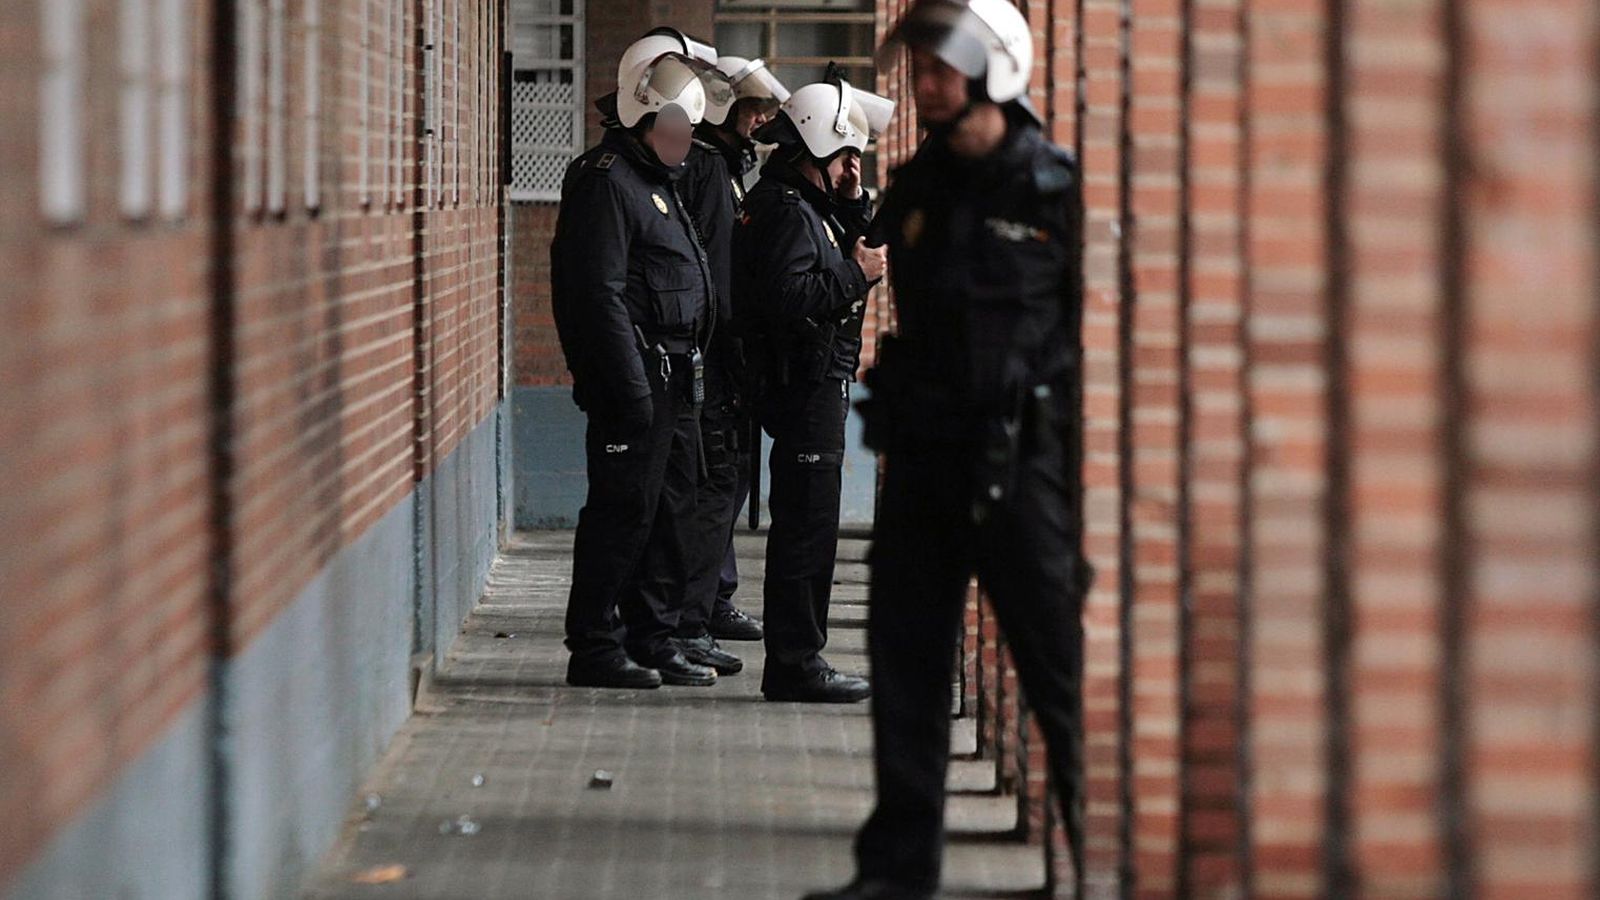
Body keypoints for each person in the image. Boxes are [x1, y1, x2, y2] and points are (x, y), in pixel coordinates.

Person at [805, 1, 1093, 897]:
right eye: (920, 66)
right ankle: (897, 872)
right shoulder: (919, 184)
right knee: (906, 669)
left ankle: (1104, 863)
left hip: (1018, 471)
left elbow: (1086, 346)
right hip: (927, 465)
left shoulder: (1050, 185)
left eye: (944, 66)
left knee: (1061, 680)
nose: (927, 82)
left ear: (994, 70)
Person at [549, 31, 722, 690]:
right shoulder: (608, 182)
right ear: (645, 120)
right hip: (639, 377)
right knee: (623, 514)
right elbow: (598, 292)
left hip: (677, 375)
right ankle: (594, 644)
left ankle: (655, 636)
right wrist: (627, 388)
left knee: (671, 513)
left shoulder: (658, 180)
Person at [736, 75, 894, 703]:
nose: (855, 163)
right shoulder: (784, 210)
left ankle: (800, 658)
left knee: (811, 525)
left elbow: (840, 243)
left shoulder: (805, 205)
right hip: (803, 386)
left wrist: (853, 205)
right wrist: (856, 277)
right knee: (806, 529)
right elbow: (789, 298)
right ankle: (797, 663)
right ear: (811, 145)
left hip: (814, 383)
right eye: (845, 152)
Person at [671, 55, 793, 673]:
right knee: (715, 488)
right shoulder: (710, 170)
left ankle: (705, 607)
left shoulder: (718, 167)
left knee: (721, 485)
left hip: (719, 351)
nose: (761, 120)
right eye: (752, 110)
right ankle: (690, 622)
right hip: (717, 355)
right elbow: (717, 271)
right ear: (722, 111)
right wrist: (734, 347)